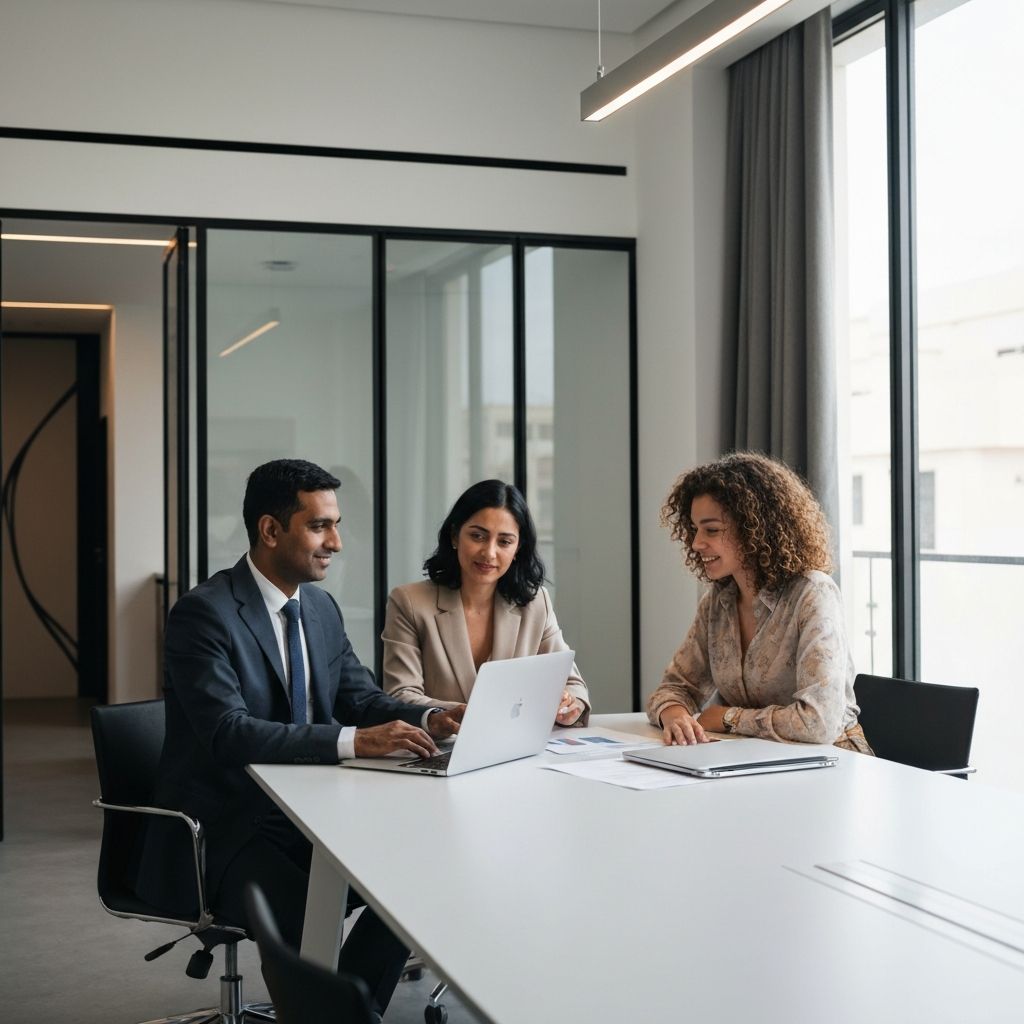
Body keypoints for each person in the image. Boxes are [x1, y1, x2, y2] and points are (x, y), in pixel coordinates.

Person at [136, 459, 463, 1019]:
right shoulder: (204, 614)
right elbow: (229, 733)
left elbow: (359, 697)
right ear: (270, 530)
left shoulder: (318, 607)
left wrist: (432, 717)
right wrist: (354, 742)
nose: (336, 541)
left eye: (336, 525)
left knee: (410, 882)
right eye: (319, 526)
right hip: (226, 828)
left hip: (310, 816)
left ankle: (347, 1013)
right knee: (297, 907)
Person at [646, 452, 872, 753]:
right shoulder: (718, 602)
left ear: (754, 528)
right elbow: (676, 687)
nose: (696, 543)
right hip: (751, 759)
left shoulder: (813, 593)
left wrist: (730, 718)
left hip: (832, 762)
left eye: (711, 530)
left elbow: (820, 723)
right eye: (695, 529)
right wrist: (674, 715)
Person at [382, 479, 590, 726]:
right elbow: (400, 695)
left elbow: (572, 684)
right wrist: (480, 712)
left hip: (516, 750)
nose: (489, 553)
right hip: (441, 748)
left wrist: (569, 705)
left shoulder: (536, 603)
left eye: (504, 542)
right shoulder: (409, 602)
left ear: (517, 549)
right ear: (455, 536)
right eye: (478, 536)